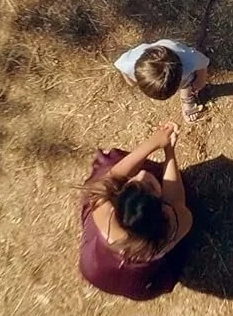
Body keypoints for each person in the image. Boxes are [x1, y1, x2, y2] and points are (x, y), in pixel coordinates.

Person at [79, 123, 193, 299]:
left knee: (104, 177)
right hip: (143, 283)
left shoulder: (104, 213)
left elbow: (114, 176)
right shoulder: (177, 224)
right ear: (163, 209)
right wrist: (169, 151)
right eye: (149, 185)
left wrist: (153, 142)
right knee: (186, 192)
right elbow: (177, 201)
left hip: (95, 269)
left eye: (132, 184)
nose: (141, 175)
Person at [114, 37, 210, 122]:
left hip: (174, 50)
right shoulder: (128, 64)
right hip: (145, 56)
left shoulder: (189, 60)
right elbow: (119, 65)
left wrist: (200, 80)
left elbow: (204, 62)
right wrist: (130, 81)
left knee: (187, 81)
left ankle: (186, 97)